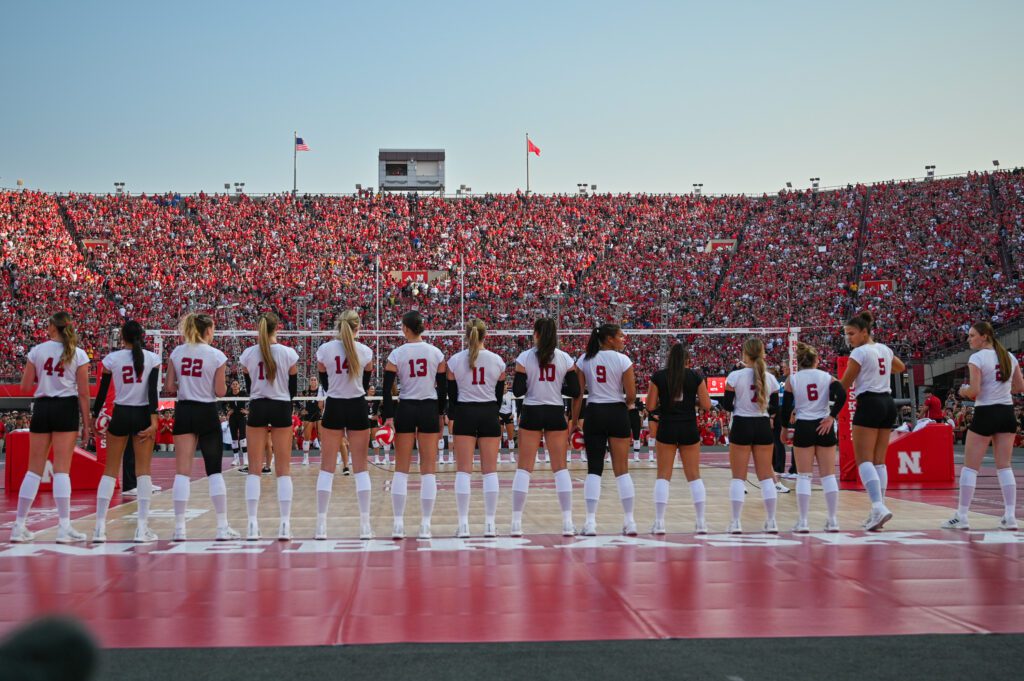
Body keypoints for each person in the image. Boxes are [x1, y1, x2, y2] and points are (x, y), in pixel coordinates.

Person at [10, 312, 93, 544]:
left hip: (42, 407)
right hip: (65, 407)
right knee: (62, 470)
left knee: (33, 470)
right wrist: (87, 425)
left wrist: (44, 377)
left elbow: (25, 387)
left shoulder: (37, 351)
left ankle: (19, 525)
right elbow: (84, 394)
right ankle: (64, 526)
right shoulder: (78, 353)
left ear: (52, 328)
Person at [942, 322, 1024, 530]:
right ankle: (1010, 516)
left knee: (970, 467)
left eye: (972, 335)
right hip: (1006, 412)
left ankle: (962, 515)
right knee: (1004, 466)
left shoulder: (977, 358)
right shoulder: (1009, 356)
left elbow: (975, 391)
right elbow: (1020, 386)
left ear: (985, 336)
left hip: (986, 411)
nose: (969, 339)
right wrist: (1001, 390)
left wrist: (963, 390)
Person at [165, 313, 238, 541]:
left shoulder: (177, 352)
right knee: (214, 471)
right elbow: (220, 392)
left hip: (185, 410)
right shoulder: (216, 355)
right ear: (208, 331)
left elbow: (168, 387)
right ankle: (222, 527)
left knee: (182, 473)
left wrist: (187, 383)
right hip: (206, 411)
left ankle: (179, 529)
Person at [90, 320, 161, 543]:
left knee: (110, 471)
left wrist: (94, 417)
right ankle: (142, 528)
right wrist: (154, 420)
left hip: (120, 413)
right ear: (142, 335)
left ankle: (99, 528)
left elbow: (102, 392)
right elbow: (152, 393)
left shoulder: (113, 359)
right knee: (144, 472)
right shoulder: (152, 358)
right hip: (141, 414)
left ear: (122, 336)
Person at [510, 317, 580, 536]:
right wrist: (557, 386)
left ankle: (516, 523)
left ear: (536, 333)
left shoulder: (525, 357)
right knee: (560, 468)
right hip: (554, 411)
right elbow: (576, 391)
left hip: (531, 410)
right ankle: (568, 522)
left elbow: (518, 391)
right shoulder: (565, 358)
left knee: (524, 468)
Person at [382, 310, 447, 540]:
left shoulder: (396, 354)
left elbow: (386, 390)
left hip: (406, 408)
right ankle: (425, 525)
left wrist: (388, 418)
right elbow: (443, 390)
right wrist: (441, 414)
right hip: (429, 407)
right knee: (428, 470)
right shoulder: (436, 353)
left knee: (401, 469)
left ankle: (398, 524)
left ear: (405, 328)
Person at [838, 311, 905, 531]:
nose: (849, 338)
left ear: (864, 332)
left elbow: (845, 384)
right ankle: (879, 508)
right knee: (879, 461)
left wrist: (828, 386)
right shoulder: (884, 349)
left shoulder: (860, 352)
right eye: (847, 334)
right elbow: (900, 367)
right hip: (888, 402)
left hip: (869, 402)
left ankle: (877, 506)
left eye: (852, 333)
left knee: (864, 460)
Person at [572, 323, 638, 536]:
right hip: (617, 412)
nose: (623, 338)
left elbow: (578, 394)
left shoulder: (584, 359)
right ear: (609, 339)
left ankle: (590, 522)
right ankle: (630, 522)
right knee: (622, 470)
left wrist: (574, 422)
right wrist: (625, 402)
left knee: (594, 470)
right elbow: (631, 395)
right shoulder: (623, 360)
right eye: (620, 336)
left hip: (595, 413)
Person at [315, 309, 375, 540]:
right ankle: (365, 525)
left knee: (327, 467)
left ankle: (321, 525)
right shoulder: (365, 351)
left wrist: (334, 389)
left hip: (335, 405)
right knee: (361, 469)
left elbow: (323, 377)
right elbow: (367, 377)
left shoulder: (326, 349)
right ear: (358, 327)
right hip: (357, 405)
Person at [239, 312, 299, 540]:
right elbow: (292, 385)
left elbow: (247, 380)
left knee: (254, 469)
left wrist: (256, 391)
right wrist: (286, 400)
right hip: (281, 404)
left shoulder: (249, 353)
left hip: (258, 404)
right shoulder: (288, 353)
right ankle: (285, 524)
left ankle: (252, 524)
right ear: (278, 328)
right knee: (283, 469)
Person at [447, 319, 507, 537]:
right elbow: (499, 396)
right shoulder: (497, 361)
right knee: (490, 471)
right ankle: (490, 524)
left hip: (464, 413)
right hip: (489, 412)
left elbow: (452, 398)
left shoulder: (454, 361)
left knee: (463, 471)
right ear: (485, 335)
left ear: (466, 335)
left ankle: (463, 525)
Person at [645, 342, 712, 534]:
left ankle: (659, 523)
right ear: (686, 360)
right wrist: (693, 400)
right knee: (694, 476)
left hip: (667, 426)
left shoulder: (659, 376)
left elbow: (650, 406)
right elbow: (707, 405)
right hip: (688, 427)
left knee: (663, 476)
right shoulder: (695, 376)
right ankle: (701, 522)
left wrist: (664, 401)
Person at [779, 342, 846, 533]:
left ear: (799, 362)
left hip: (804, 426)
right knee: (828, 476)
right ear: (817, 360)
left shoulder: (793, 379)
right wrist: (832, 416)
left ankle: (803, 521)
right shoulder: (827, 377)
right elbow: (842, 394)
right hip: (823, 425)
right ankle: (833, 520)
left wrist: (784, 428)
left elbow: (786, 408)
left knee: (804, 477)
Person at [721, 337, 781, 534]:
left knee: (738, 477)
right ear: (763, 352)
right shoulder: (770, 378)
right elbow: (774, 408)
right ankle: (772, 521)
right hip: (762, 424)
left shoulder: (735, 376)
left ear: (745, 354)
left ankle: (736, 522)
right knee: (766, 477)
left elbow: (728, 405)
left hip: (742, 423)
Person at [299, 375, 323, 466]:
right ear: (309, 382)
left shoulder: (321, 391)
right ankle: (305, 458)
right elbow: (296, 400)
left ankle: (322, 457)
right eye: (311, 379)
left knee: (321, 436)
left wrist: (323, 407)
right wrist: (301, 409)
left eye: (315, 379)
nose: (313, 381)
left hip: (318, 414)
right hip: (308, 415)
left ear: (317, 381)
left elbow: (324, 401)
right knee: (307, 437)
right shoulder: (305, 392)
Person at [224, 379, 248, 469]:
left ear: (239, 385)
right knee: (234, 438)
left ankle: (245, 459)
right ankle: (236, 459)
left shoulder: (243, 393)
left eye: (236, 384)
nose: (234, 385)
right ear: (231, 386)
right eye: (233, 384)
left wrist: (247, 411)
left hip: (241, 417)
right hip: (233, 418)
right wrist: (227, 411)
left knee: (243, 437)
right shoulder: (229, 394)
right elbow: (222, 404)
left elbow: (251, 401)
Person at [499, 382, 517, 458]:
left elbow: (513, 405)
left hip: (509, 415)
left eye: (505, 385)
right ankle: (498, 456)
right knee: (498, 437)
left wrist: (513, 414)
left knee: (510, 437)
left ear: (507, 386)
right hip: (500, 415)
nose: (504, 387)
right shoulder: (497, 394)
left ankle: (511, 456)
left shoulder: (511, 394)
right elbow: (495, 405)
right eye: (503, 385)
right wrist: (497, 414)